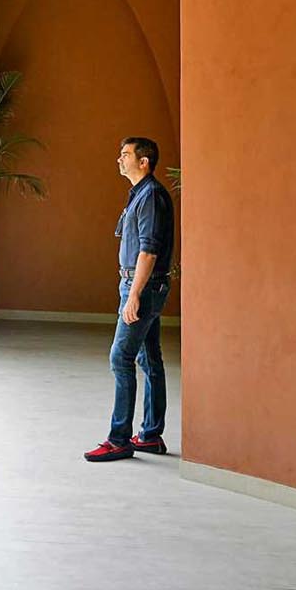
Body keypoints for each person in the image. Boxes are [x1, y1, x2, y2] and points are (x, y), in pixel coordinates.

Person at [84, 135, 175, 462]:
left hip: (143, 288)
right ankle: (150, 436)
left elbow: (148, 250)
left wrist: (134, 295)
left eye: (125, 155)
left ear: (144, 162)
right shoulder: (141, 194)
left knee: (120, 358)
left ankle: (119, 439)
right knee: (149, 359)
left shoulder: (150, 196)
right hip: (141, 286)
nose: (119, 160)